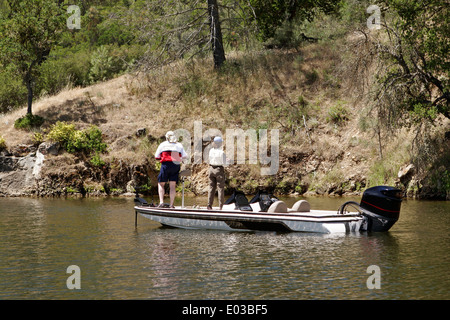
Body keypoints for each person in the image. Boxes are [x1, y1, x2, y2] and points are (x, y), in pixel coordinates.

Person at [155, 131, 188, 208]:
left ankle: (161, 202)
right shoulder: (179, 145)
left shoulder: (162, 144)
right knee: (172, 185)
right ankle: (171, 204)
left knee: (161, 183)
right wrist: (179, 158)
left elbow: (157, 156)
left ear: (166, 137)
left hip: (166, 165)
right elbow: (185, 156)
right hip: (175, 165)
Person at [207, 136, 227, 210]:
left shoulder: (211, 151)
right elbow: (225, 164)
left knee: (211, 188)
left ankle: (209, 205)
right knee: (220, 188)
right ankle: (221, 206)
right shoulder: (222, 152)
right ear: (220, 143)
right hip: (219, 169)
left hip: (211, 169)